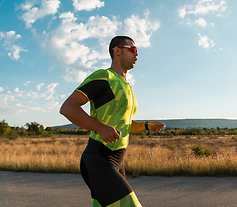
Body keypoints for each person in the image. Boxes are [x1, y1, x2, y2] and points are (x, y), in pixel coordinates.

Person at [60, 36, 166, 207]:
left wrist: (146, 126)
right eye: (132, 49)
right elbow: (68, 107)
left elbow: (123, 125)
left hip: (118, 161)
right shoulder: (104, 76)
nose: (136, 54)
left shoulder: (127, 87)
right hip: (99, 158)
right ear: (117, 51)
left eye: (137, 51)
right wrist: (100, 128)